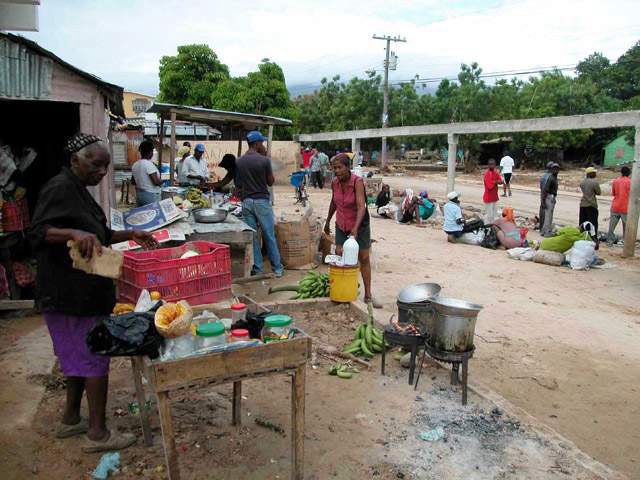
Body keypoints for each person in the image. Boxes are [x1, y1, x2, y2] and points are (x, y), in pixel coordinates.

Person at [28, 133, 158, 452]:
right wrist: (72, 231)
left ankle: (71, 419)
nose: (102, 172)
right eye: (96, 165)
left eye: (106, 167)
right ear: (75, 161)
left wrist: (131, 233)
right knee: (93, 358)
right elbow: (36, 232)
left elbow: (98, 234)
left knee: (76, 357)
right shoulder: (60, 188)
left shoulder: (79, 191)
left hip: (81, 293)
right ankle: (98, 433)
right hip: (70, 295)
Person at [324, 153, 380, 308]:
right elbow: (333, 202)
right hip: (341, 224)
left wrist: (355, 229)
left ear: (348, 167)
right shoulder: (335, 183)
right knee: (340, 257)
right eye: (334, 168)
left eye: (340, 167)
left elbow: (362, 206)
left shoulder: (357, 182)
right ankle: (345, 290)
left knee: (363, 258)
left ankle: (368, 295)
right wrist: (328, 221)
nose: (337, 171)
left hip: (359, 225)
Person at [236, 131, 283, 277]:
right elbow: (270, 181)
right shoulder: (264, 161)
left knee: (253, 237)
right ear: (256, 144)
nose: (262, 145)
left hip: (246, 202)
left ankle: (258, 269)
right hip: (261, 201)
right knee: (269, 235)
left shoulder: (239, 161)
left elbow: (237, 184)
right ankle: (277, 268)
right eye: (261, 143)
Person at [131, 139, 162, 206]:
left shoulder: (135, 164)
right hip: (151, 196)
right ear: (150, 152)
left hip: (140, 195)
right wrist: (162, 181)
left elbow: (133, 181)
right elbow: (156, 182)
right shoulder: (149, 164)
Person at [607, 166, 631, 245]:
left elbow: (613, 193)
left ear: (621, 172)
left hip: (615, 206)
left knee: (612, 226)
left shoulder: (615, 181)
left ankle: (609, 241)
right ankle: (625, 241)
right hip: (625, 207)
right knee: (626, 226)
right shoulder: (630, 182)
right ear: (629, 173)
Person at [579, 167, 601, 249]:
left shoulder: (582, 182)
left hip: (583, 205)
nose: (595, 174)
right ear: (590, 173)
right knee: (593, 224)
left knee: (582, 223)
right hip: (591, 205)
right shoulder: (594, 182)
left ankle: (582, 239)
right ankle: (593, 240)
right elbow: (599, 192)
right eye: (594, 172)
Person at [541, 163, 560, 237]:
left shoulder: (554, 178)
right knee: (549, 215)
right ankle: (547, 232)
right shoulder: (551, 178)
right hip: (549, 197)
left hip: (550, 197)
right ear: (551, 170)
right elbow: (545, 190)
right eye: (554, 169)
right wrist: (543, 201)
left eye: (557, 169)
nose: (556, 170)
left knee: (548, 215)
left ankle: (544, 231)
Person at [483, 158, 503, 224]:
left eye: (493, 164)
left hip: (494, 197)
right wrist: (497, 182)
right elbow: (489, 186)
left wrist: (495, 182)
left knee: (495, 215)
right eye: (490, 164)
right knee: (489, 216)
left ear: (495, 165)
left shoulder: (496, 172)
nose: (492, 166)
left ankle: (493, 229)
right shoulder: (486, 174)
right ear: (488, 165)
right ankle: (487, 229)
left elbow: (501, 181)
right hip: (488, 198)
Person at [538, 162, 554, 230]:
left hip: (543, 195)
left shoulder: (543, 176)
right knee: (548, 213)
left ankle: (541, 226)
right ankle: (545, 229)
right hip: (547, 196)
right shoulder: (550, 177)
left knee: (542, 210)